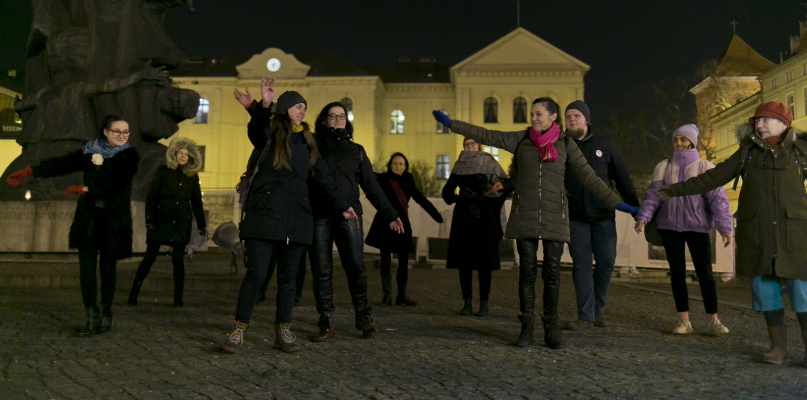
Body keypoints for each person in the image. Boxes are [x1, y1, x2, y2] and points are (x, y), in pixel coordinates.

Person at [433, 99, 638, 349]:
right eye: (531, 114)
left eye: (538, 114)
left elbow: (591, 179)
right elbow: (486, 134)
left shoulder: (565, 143)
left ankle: (551, 327)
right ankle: (527, 327)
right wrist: (452, 124)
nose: (533, 118)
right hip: (525, 215)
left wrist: (619, 204)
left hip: (554, 216)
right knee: (527, 273)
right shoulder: (520, 139)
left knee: (552, 274)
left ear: (553, 118)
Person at [656, 102, 807, 365]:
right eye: (756, 121)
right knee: (766, 290)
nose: (759, 125)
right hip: (757, 233)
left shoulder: (800, 151)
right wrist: (677, 189)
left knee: (802, 293)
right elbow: (715, 177)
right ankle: (778, 348)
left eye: (766, 120)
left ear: (784, 124)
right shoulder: (747, 152)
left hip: (792, 234)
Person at [223, 77, 355, 354]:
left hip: (297, 220)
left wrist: (342, 205)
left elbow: (324, 178)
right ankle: (239, 328)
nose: (302, 110)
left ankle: (283, 329)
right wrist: (264, 104)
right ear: (284, 110)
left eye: (304, 107)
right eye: (297, 106)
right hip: (264, 218)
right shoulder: (269, 136)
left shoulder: (308, 143)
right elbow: (257, 129)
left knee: (289, 278)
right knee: (256, 275)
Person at [7, 115, 139, 337]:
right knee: (86, 268)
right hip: (89, 219)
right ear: (105, 131)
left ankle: (107, 312)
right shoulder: (91, 150)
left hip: (113, 220)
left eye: (125, 132)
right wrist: (30, 171)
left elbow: (115, 183)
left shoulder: (129, 155)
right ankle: (91, 314)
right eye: (117, 131)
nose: (122, 135)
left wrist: (84, 189)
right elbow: (64, 163)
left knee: (108, 268)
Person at [304, 102, 403, 341]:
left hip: (350, 216)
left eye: (342, 116)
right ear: (324, 120)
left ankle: (362, 313)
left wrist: (391, 214)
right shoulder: (314, 146)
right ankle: (325, 318)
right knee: (321, 269)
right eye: (332, 116)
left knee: (356, 267)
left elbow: (372, 186)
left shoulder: (356, 150)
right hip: (320, 215)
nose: (338, 119)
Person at [635, 124, 732, 336]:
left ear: (691, 142)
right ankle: (683, 320)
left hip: (697, 227)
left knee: (705, 274)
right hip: (669, 226)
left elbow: (718, 200)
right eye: (675, 140)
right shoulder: (664, 167)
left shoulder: (705, 167)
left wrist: (725, 227)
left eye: (682, 139)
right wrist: (644, 216)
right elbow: (653, 196)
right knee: (677, 274)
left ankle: (713, 319)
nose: (678, 143)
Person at [561, 101, 640, 330]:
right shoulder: (561, 146)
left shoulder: (604, 144)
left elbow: (622, 177)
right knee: (582, 265)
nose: (572, 119)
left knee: (606, 262)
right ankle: (585, 316)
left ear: (587, 120)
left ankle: (597, 309)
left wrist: (636, 209)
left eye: (576, 115)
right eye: (568, 117)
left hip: (603, 215)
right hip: (576, 217)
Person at [126, 137, 206, 307]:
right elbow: (152, 197)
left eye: (186, 154)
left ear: (190, 157)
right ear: (174, 154)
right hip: (161, 221)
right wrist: (150, 219)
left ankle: (178, 299)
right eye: (180, 153)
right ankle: (133, 294)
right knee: (149, 258)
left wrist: (201, 224)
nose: (183, 156)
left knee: (178, 260)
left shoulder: (192, 177)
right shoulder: (163, 171)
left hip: (181, 223)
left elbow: (197, 202)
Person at [442, 137, 512, 316]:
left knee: (484, 263)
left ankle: (484, 303)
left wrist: (494, 195)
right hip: (464, 219)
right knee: (464, 262)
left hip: (485, 217)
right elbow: (447, 192)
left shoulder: (489, 162)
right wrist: (461, 198)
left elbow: (506, 184)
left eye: (472, 143)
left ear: (480, 145)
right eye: (466, 144)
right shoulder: (460, 165)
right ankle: (467, 302)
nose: (470, 147)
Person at [365, 152, 444, 306]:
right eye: (395, 163)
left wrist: (436, 215)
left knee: (403, 260)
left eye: (401, 164)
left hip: (402, 224)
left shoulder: (408, 180)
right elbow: (366, 173)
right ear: (390, 165)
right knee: (385, 260)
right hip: (385, 222)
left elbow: (420, 198)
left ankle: (401, 295)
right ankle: (386, 296)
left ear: (406, 166)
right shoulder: (382, 179)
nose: (398, 166)